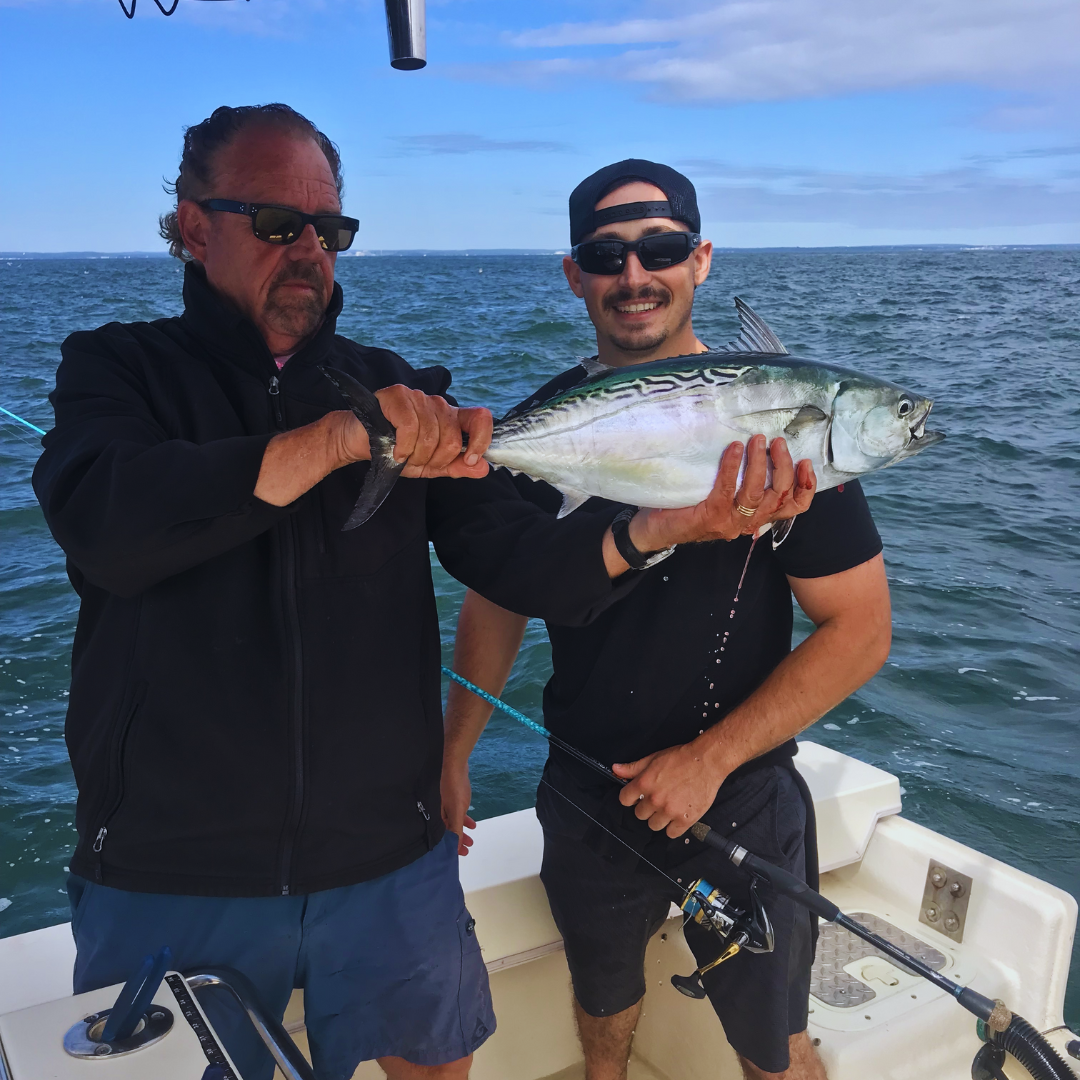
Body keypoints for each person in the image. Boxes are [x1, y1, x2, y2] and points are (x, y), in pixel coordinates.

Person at [32, 113, 809, 1080]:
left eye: (331, 230)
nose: (310, 251)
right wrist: (337, 441)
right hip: (173, 863)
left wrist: (661, 529)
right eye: (277, 224)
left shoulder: (394, 386)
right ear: (194, 227)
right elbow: (108, 524)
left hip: (390, 856)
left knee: (440, 1068)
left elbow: (521, 564)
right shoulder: (117, 369)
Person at [441, 160, 891, 1080]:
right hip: (586, 788)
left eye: (662, 247)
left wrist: (709, 761)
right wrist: (452, 758)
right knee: (602, 1008)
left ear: (701, 259)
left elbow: (860, 630)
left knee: (776, 1048)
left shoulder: (785, 428)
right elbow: (498, 599)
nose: (635, 274)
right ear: (575, 274)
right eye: (607, 255)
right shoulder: (544, 426)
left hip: (742, 792)